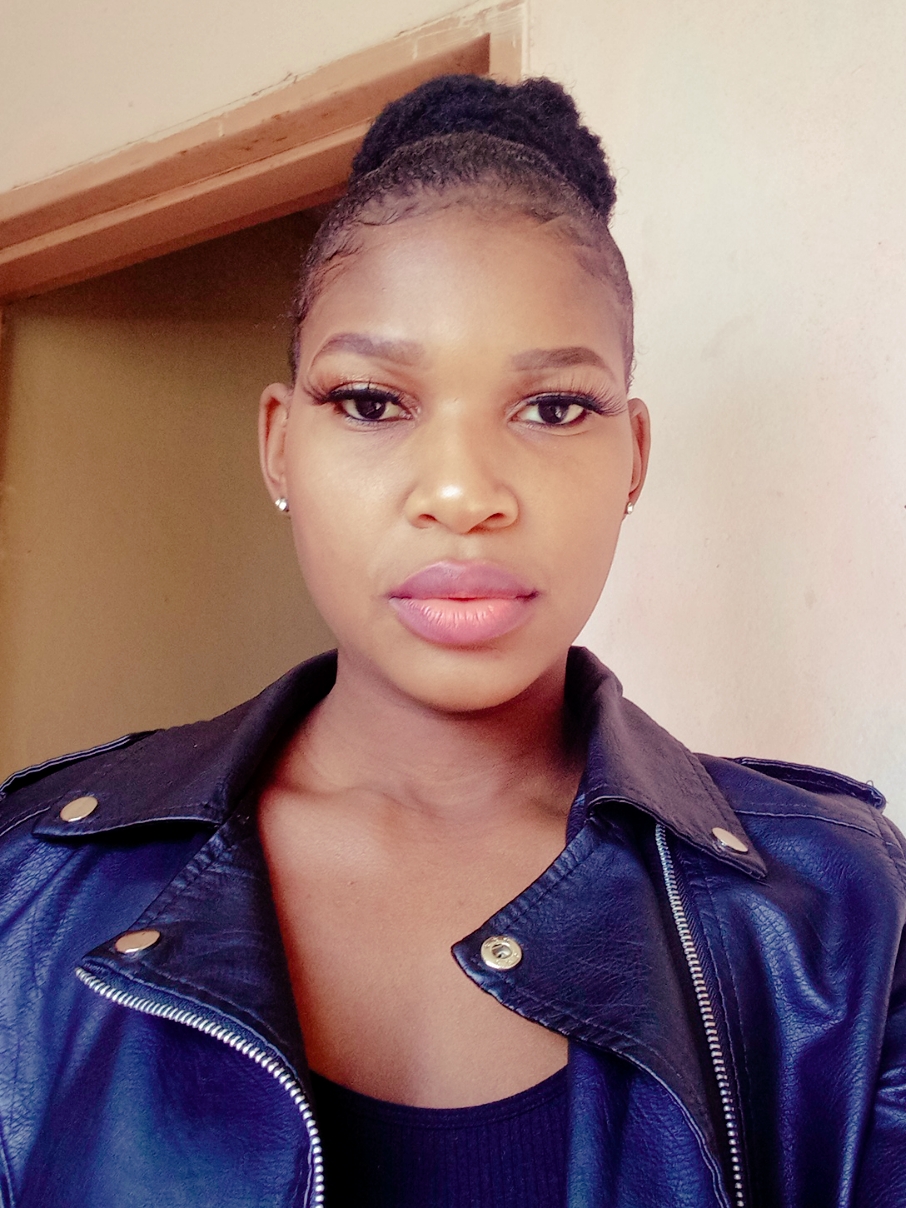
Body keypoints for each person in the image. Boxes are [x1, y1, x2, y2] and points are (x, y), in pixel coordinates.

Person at [0, 73, 903, 1208]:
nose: (465, 493)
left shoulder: (846, 911)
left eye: (554, 407)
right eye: (372, 401)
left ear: (632, 457)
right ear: (280, 444)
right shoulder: (26, 883)